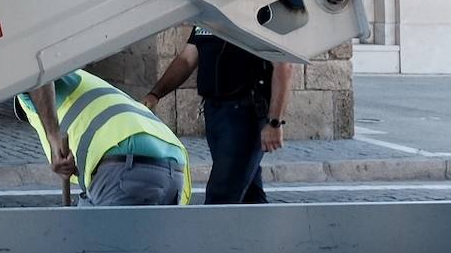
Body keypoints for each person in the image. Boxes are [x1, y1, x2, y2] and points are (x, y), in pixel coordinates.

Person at [144, 26, 295, 204]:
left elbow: (284, 66)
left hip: (244, 114)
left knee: (221, 196)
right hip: (215, 113)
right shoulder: (208, 17)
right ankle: (261, 230)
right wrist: (155, 94)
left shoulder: (255, 14)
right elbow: (186, 59)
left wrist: (274, 122)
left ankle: (211, 231)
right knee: (249, 196)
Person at [17, 69, 191, 206]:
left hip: (126, 163)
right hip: (175, 164)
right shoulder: (85, 81)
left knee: (95, 248)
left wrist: (53, 137)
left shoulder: (32, 88)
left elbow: (34, 73)